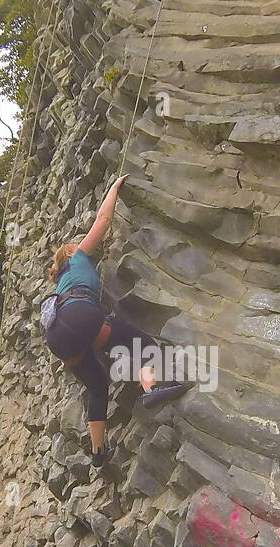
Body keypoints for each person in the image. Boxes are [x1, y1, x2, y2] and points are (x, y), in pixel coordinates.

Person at [44, 174, 189, 466]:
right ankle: (152, 388)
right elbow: (102, 221)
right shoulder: (78, 256)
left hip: (57, 336)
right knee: (143, 344)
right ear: (70, 252)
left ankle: (98, 451)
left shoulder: (61, 281)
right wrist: (113, 188)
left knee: (97, 386)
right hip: (79, 314)